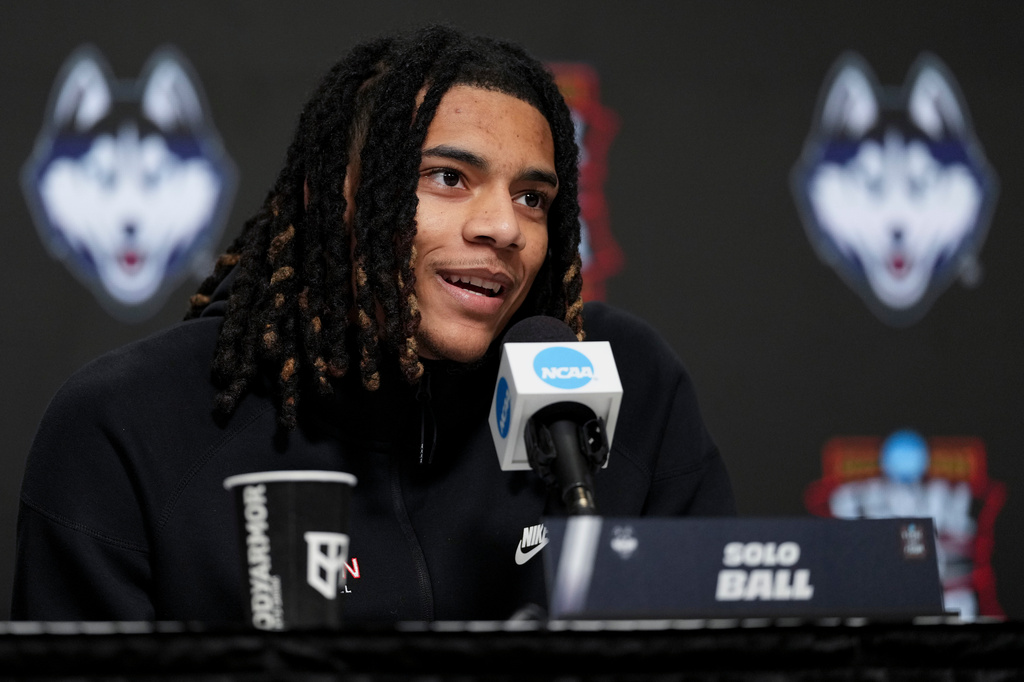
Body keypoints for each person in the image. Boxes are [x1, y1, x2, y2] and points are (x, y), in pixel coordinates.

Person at [13, 26, 734, 623]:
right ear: (335, 197)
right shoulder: (133, 424)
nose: (503, 227)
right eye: (448, 178)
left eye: (533, 197)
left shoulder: (632, 387)